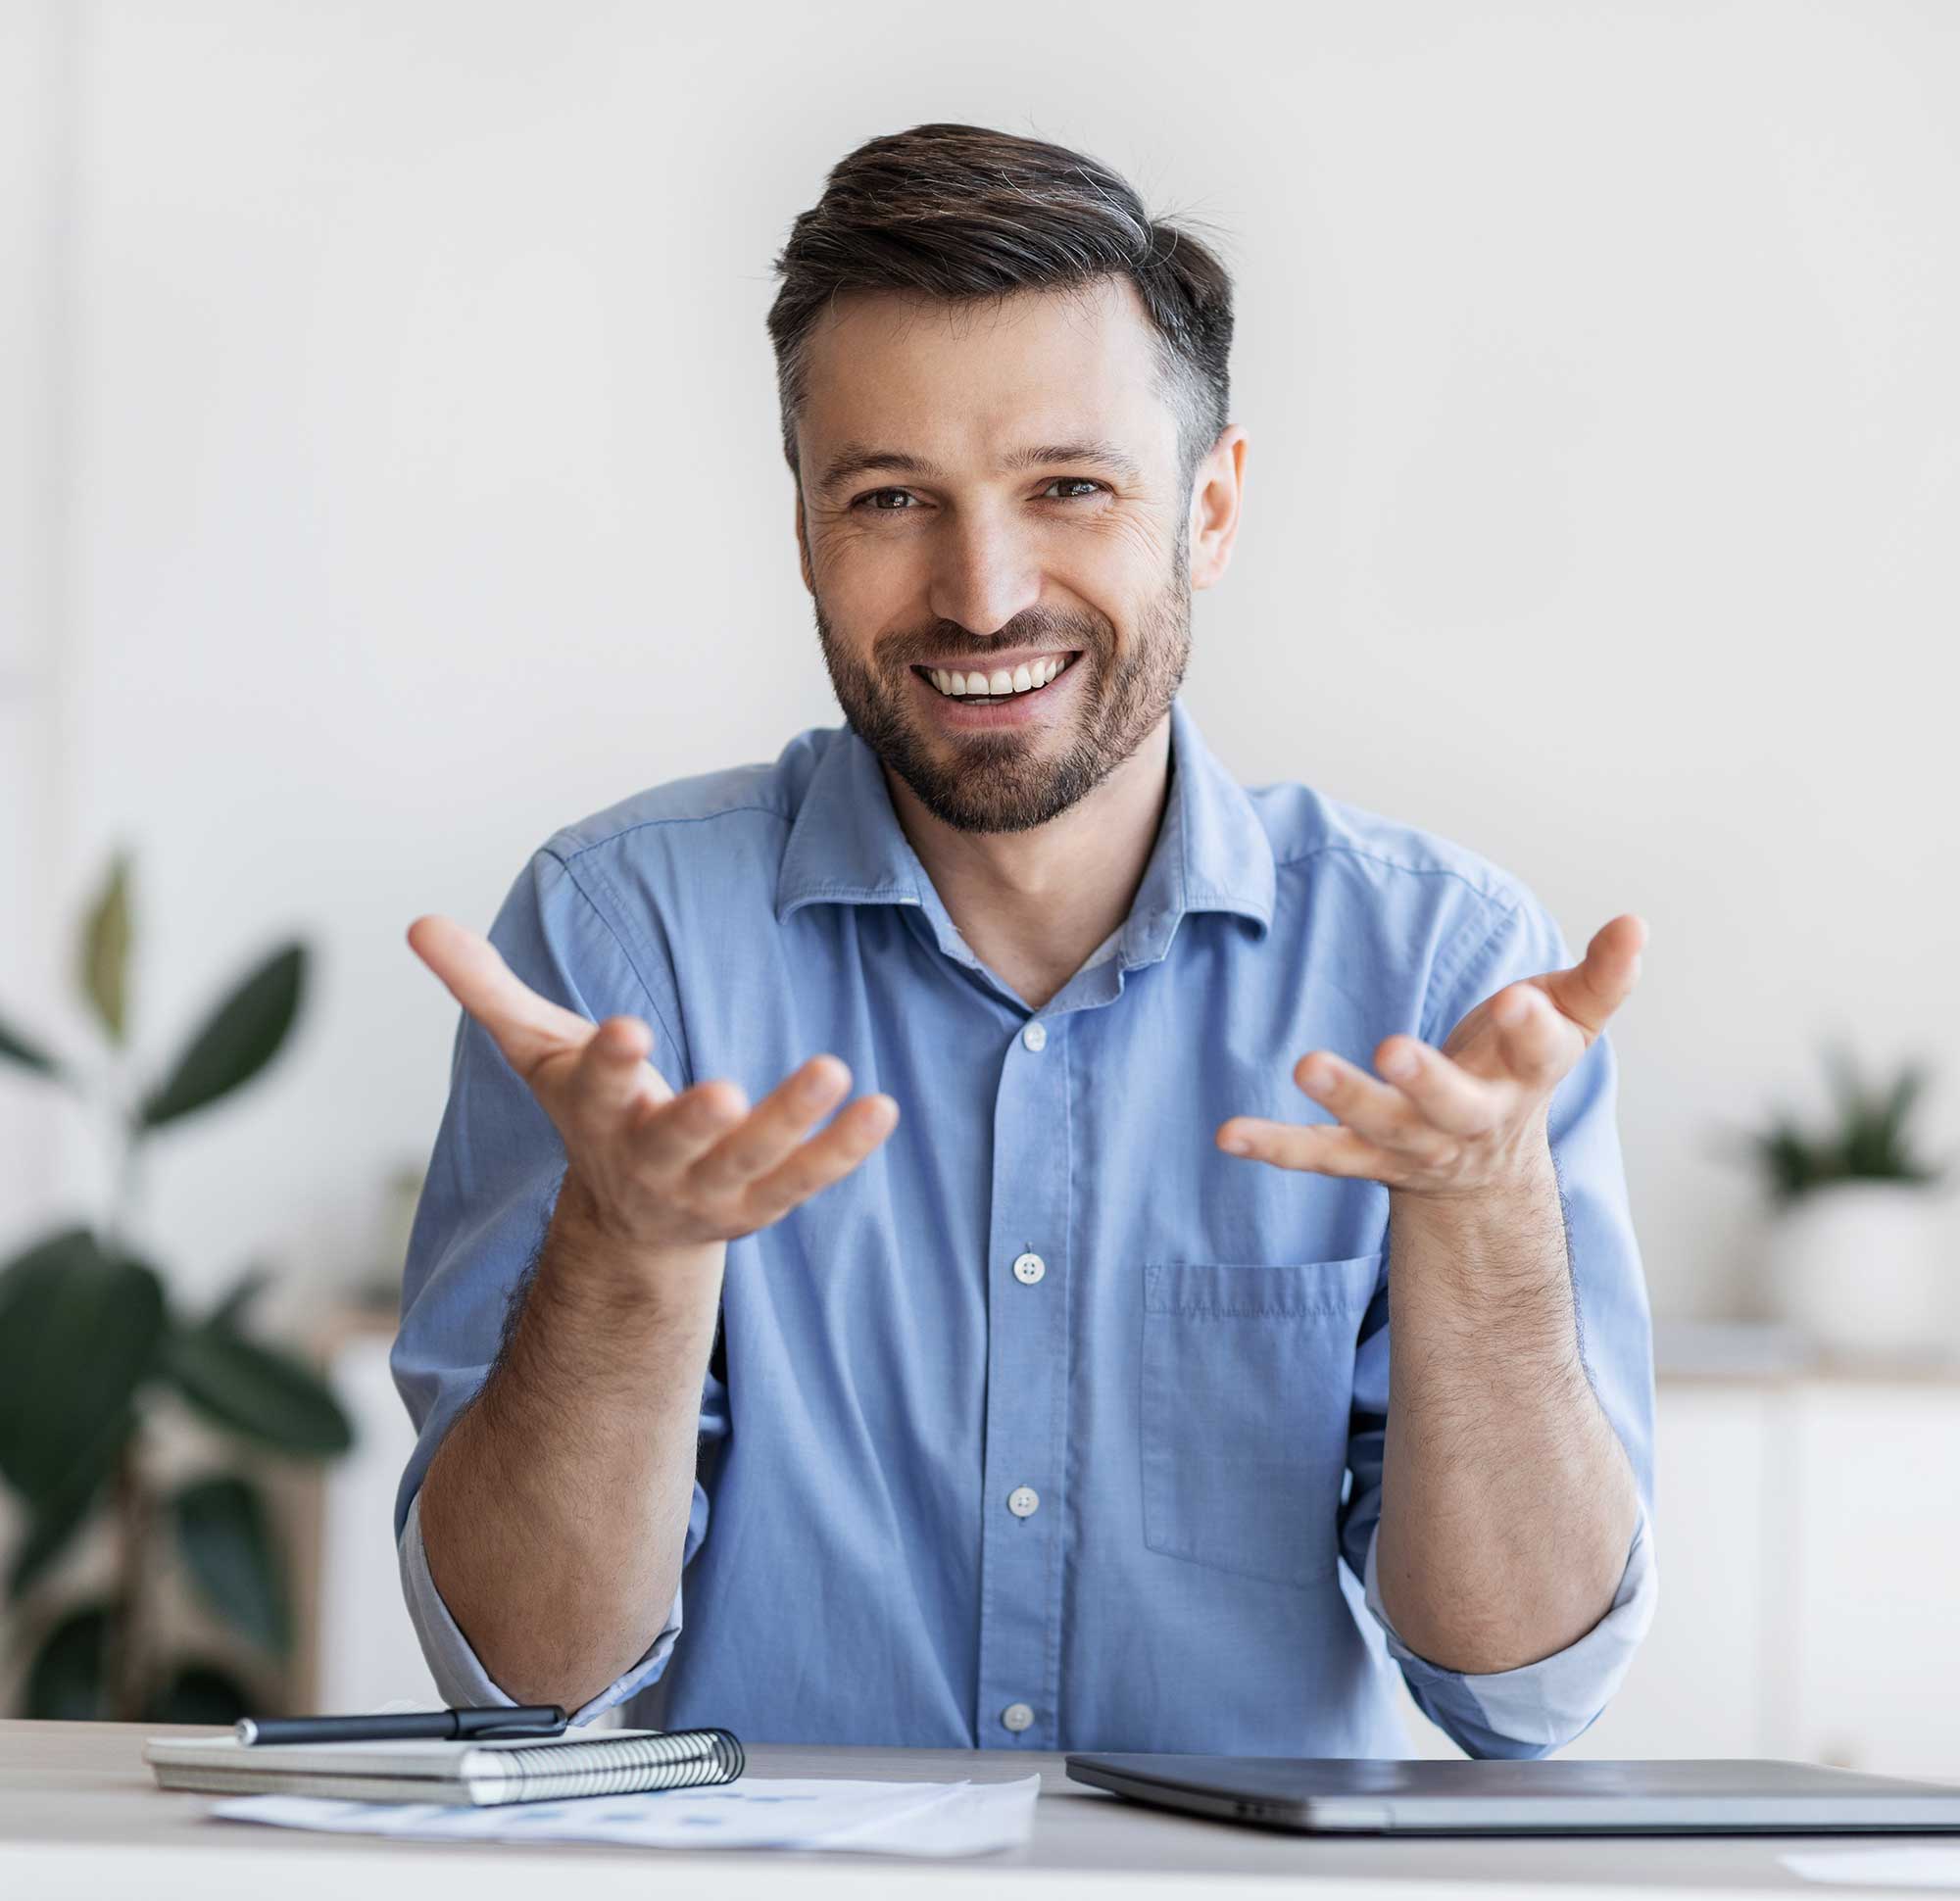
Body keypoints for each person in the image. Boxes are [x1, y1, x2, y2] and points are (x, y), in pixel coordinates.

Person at [391, 122, 1655, 1758]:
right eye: (891, 496)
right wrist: (628, 1259)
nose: (982, 594)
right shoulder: (622, 945)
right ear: (802, 533)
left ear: (1209, 510)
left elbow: (1527, 1691)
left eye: (1068, 487)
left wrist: (1482, 1223)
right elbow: (522, 1682)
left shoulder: (1444, 973)